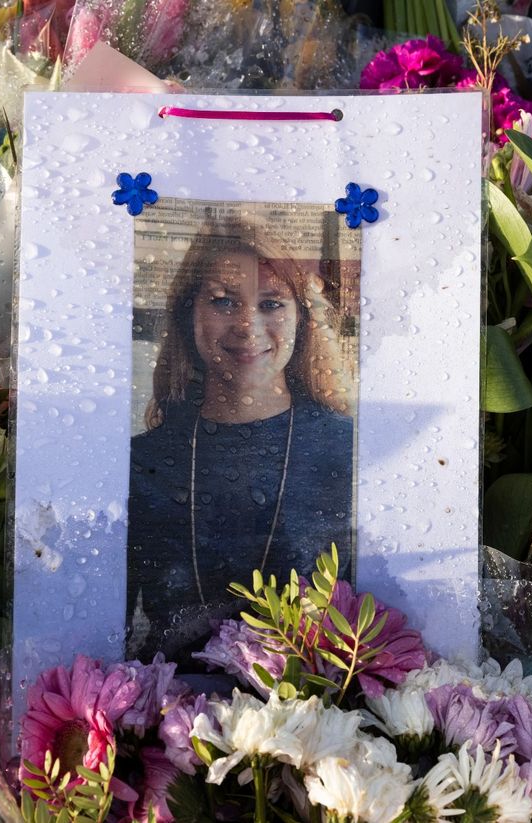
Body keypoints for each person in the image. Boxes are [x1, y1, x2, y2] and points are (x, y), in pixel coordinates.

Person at [127, 216, 356, 662]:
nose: (248, 325)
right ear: (186, 314)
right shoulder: (141, 462)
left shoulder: (348, 451)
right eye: (223, 301)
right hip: (170, 720)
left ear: (302, 320)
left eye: (271, 303)